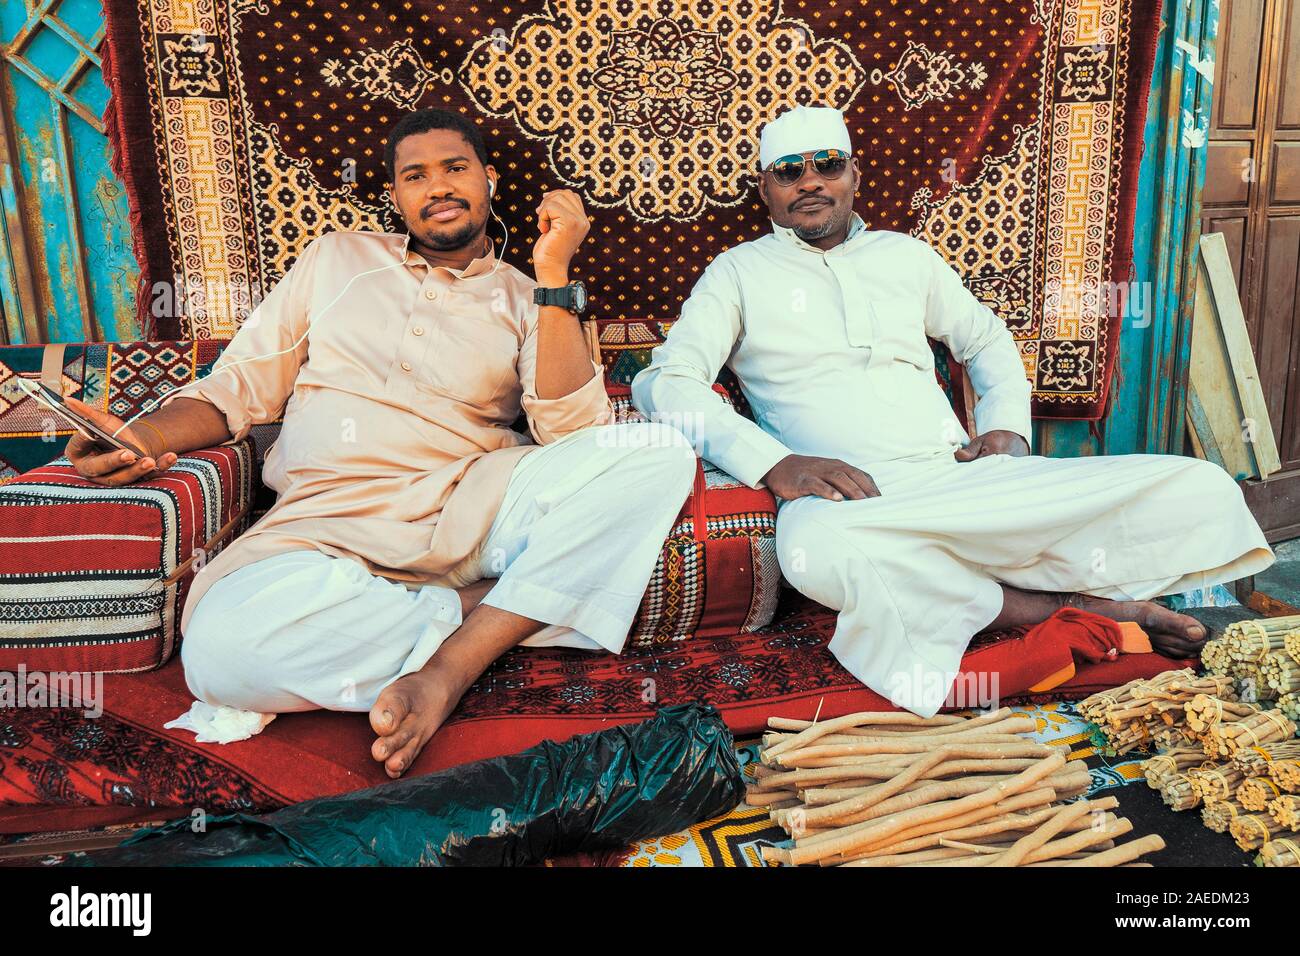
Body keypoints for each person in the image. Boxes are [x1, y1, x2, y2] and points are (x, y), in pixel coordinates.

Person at [64, 108, 696, 775]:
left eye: (456, 168)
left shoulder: (525, 295)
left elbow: (574, 435)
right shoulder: (338, 258)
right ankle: (489, 612)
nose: (439, 187)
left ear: (489, 179)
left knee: (654, 456)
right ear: (396, 196)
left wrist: (553, 273)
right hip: (321, 528)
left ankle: (449, 669)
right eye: (415, 175)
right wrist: (135, 437)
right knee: (221, 655)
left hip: (467, 512)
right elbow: (236, 390)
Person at [632, 104, 1274, 716]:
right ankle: (1075, 605)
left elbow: (987, 340)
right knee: (816, 557)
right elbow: (664, 384)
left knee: (1198, 484)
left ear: (854, 173)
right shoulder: (736, 274)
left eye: (828, 164)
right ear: (766, 190)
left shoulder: (906, 257)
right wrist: (777, 464)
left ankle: (1008, 591)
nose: (811, 183)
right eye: (789, 171)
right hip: (851, 501)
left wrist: (1005, 430)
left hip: (962, 478)